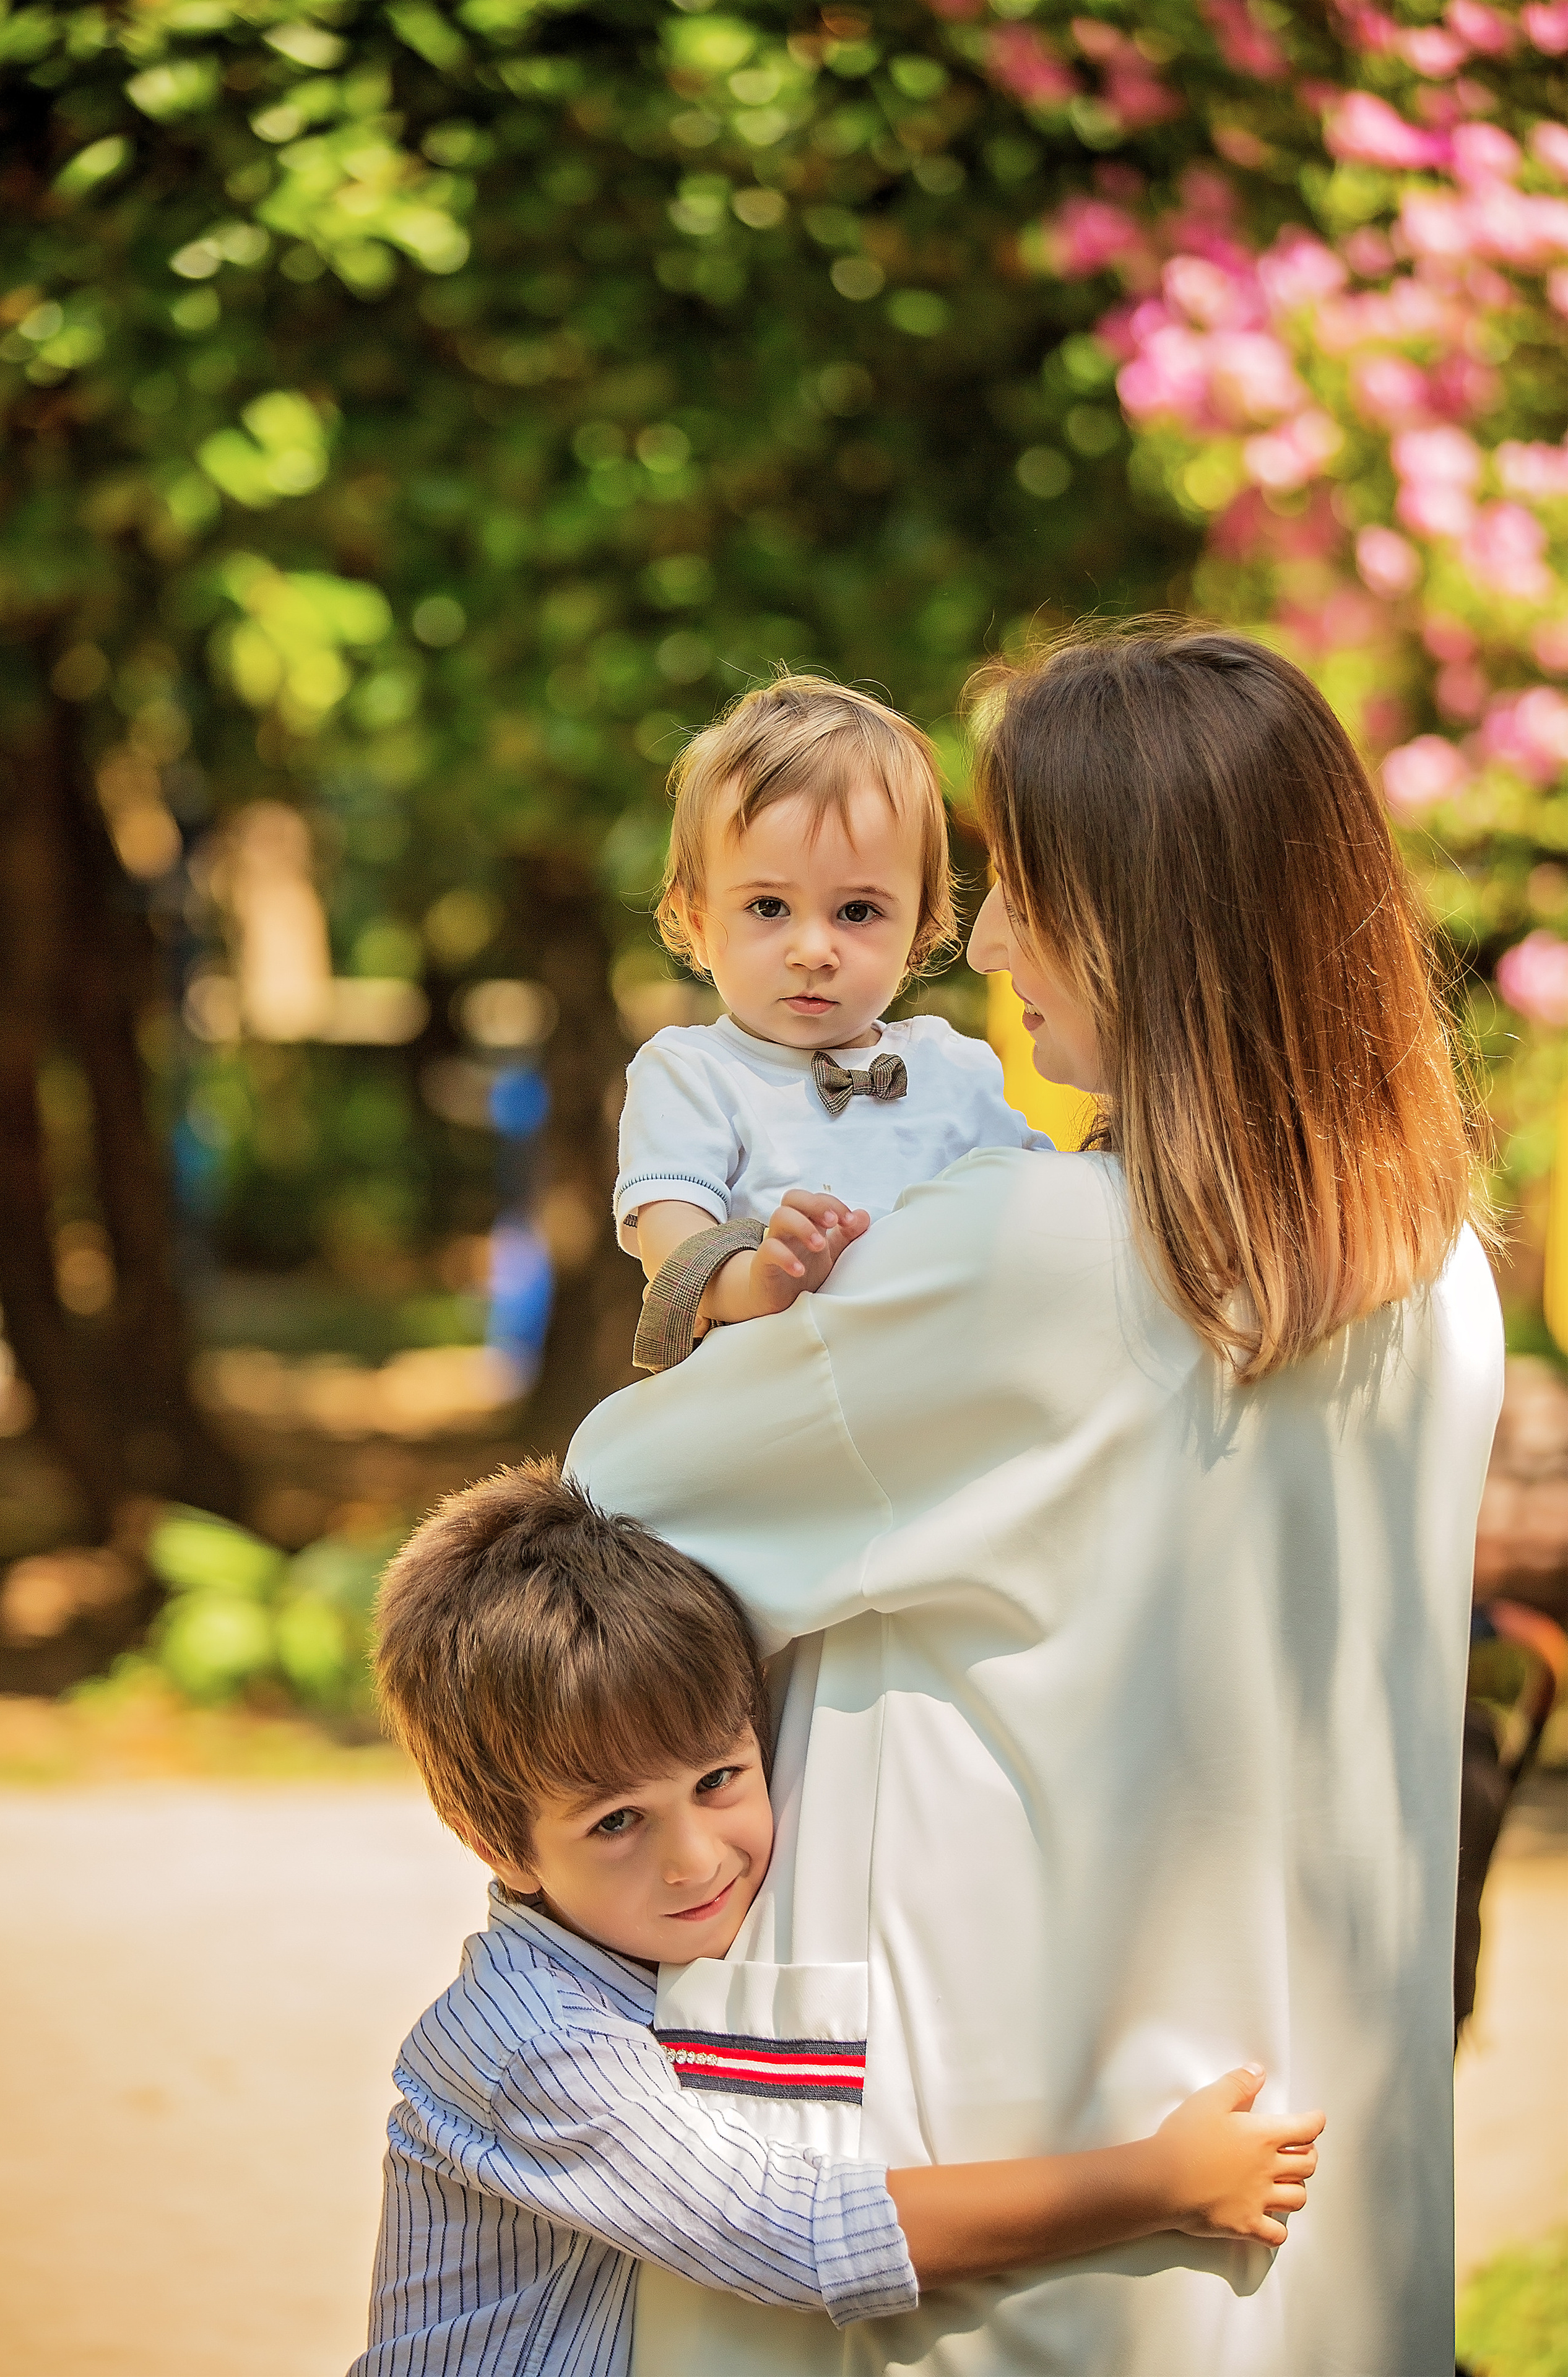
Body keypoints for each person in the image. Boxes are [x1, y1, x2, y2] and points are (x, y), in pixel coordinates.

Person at [568, 623, 1505, 2376]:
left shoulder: (1026, 1255)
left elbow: (618, 1500)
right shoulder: (1434, 1272)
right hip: (1320, 2199)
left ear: (1148, 920)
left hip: (1006, 2189)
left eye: (1018, 889)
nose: (985, 946)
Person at [352, 1460, 1323, 2376]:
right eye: (616, 1822)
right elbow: (800, 2234)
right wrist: (1163, 2184)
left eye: (718, 1779)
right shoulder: (532, 2042)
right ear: (500, 1847)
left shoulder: (629, 1948)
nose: (696, 1859)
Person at [613, 675, 1049, 1367]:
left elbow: (1047, 1213)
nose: (813, 951)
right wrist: (757, 1280)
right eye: (768, 907)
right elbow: (671, 1239)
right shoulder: (693, 1074)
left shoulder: (954, 1067)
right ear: (697, 923)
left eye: (857, 912)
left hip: (938, 1387)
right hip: (774, 1392)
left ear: (920, 929)